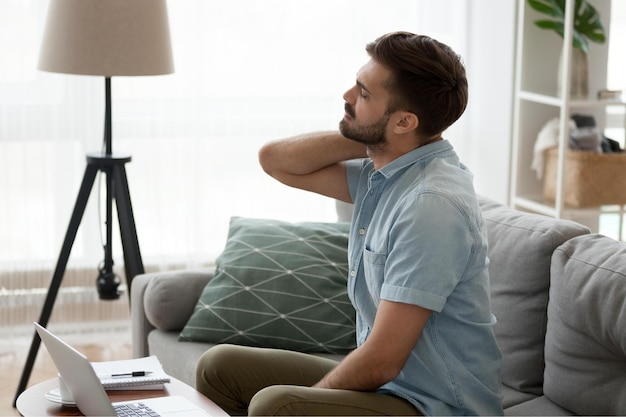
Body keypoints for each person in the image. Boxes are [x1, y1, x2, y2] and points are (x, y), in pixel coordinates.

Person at [196, 31, 503, 416]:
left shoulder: (431, 206)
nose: (346, 96)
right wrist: (377, 136)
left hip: (434, 406)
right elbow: (275, 161)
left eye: (363, 93)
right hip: (393, 388)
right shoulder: (391, 171)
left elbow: (382, 360)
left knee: (277, 407)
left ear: (406, 121)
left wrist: (313, 399)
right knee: (220, 366)